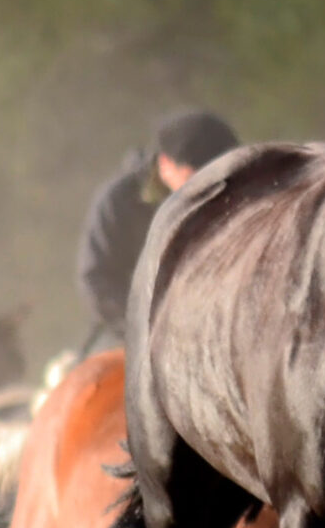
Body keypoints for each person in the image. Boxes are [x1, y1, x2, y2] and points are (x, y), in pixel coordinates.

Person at [75, 109, 239, 354]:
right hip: (134, 335)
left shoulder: (243, 192)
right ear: (165, 165)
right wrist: (151, 328)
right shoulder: (118, 202)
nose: (211, 192)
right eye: (197, 180)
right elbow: (97, 279)